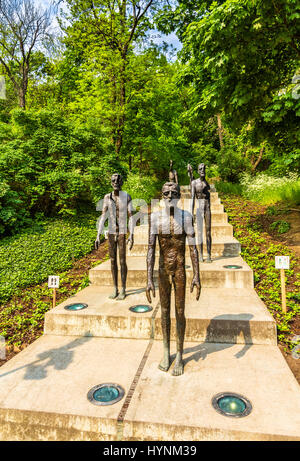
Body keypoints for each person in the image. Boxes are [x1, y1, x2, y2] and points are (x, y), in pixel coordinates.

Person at [146, 182, 201, 376]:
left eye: (174, 193)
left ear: (179, 196)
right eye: (166, 193)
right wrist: (148, 279)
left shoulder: (186, 217)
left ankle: (179, 354)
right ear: (162, 196)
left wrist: (197, 275)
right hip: (162, 269)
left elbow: (193, 247)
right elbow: (151, 248)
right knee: (165, 311)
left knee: (179, 311)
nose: (170, 196)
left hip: (179, 268)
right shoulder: (154, 218)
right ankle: (166, 351)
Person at [95, 173, 134, 300]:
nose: (115, 182)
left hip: (122, 232)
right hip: (111, 232)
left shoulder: (126, 196)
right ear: (111, 182)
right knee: (113, 261)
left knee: (122, 261)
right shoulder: (107, 197)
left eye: (118, 180)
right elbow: (103, 217)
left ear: (121, 182)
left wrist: (131, 234)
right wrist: (98, 235)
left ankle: (123, 288)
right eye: (113, 180)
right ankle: (115, 288)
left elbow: (131, 216)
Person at [191, 163, 212, 263]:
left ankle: (209, 254)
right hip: (199, 209)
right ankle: (200, 254)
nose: (202, 170)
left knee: (208, 232)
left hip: (207, 208)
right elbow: (192, 199)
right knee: (199, 232)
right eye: (200, 169)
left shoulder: (207, 183)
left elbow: (208, 194)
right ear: (198, 171)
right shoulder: (194, 183)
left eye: (204, 168)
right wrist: (191, 213)